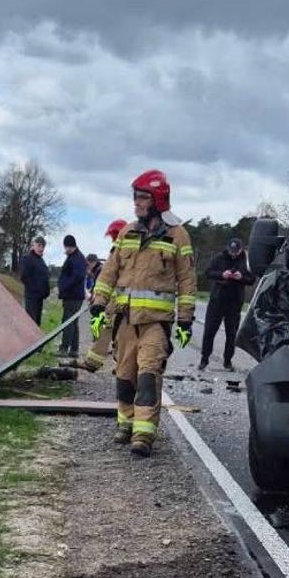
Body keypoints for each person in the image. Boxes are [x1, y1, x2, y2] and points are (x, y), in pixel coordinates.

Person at [89, 173, 196, 456]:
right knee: (125, 377)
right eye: (135, 197)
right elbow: (109, 271)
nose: (136, 203)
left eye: (142, 197)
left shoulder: (178, 235)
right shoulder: (127, 233)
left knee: (148, 375)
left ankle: (144, 434)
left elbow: (187, 281)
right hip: (125, 321)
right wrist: (99, 305)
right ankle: (125, 423)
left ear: (158, 200)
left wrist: (185, 319)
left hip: (155, 324)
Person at [83, 220, 128, 373]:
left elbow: (110, 278)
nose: (113, 239)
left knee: (116, 334)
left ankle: (116, 365)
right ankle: (101, 362)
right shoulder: (121, 250)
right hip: (115, 302)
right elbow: (106, 280)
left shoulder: (121, 251)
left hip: (119, 303)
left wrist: (100, 300)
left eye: (114, 236)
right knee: (113, 333)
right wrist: (98, 300)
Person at [199, 237, 251, 371]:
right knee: (210, 330)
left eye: (236, 251)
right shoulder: (219, 258)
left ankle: (227, 361)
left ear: (240, 250)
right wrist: (222, 275)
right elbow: (208, 273)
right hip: (218, 299)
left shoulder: (246, 261)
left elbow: (252, 278)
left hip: (235, 302)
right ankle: (204, 358)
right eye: (231, 251)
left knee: (232, 334)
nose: (233, 254)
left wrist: (241, 277)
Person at [56, 234, 89, 358]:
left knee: (68, 322)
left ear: (71, 246)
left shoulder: (77, 258)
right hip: (73, 295)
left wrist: (64, 286)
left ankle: (64, 348)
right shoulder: (74, 257)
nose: (66, 249)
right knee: (73, 322)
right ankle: (74, 349)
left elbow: (77, 276)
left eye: (67, 247)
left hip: (73, 295)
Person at [18, 236, 49, 326]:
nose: (41, 249)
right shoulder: (28, 258)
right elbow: (24, 277)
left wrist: (46, 291)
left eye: (43, 247)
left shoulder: (41, 261)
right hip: (32, 297)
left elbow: (44, 277)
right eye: (39, 246)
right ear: (33, 245)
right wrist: (35, 289)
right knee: (31, 322)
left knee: (37, 323)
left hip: (40, 298)